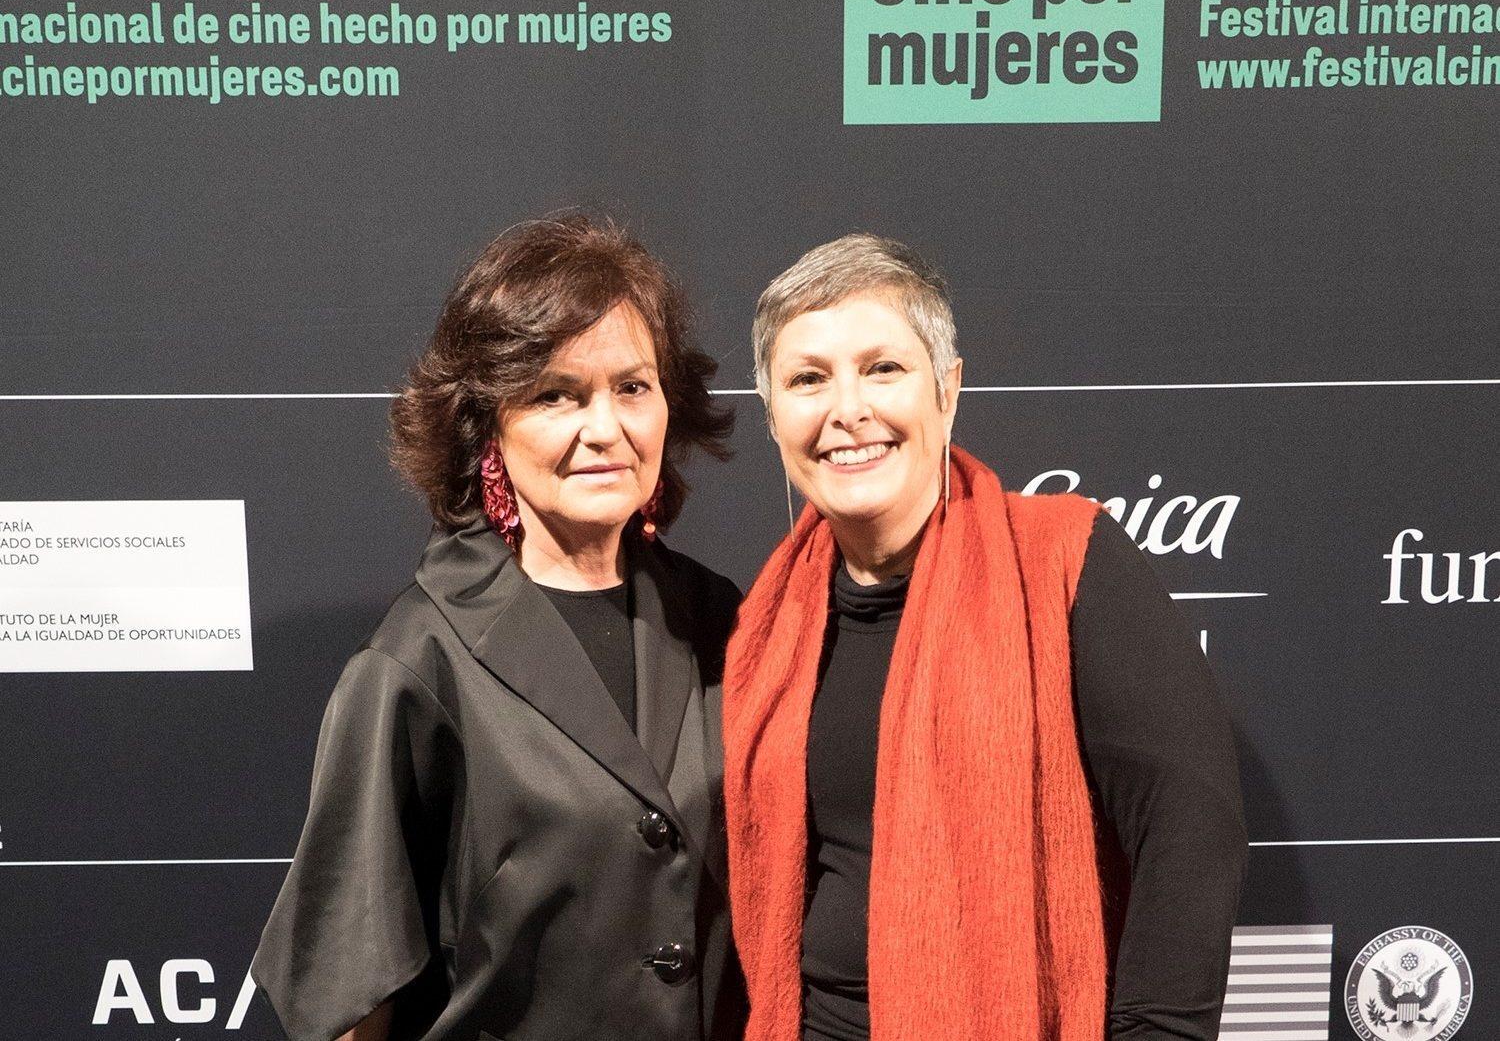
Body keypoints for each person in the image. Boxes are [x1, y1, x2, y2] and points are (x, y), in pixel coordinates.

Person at [723, 234, 1247, 1041]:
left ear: (949, 390)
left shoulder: (1066, 559)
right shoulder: (767, 623)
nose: (847, 409)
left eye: (882, 368)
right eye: (808, 379)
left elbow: (1190, 825)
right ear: (772, 416)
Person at [253, 214, 745, 1041]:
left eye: (632, 387)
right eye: (556, 394)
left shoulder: (723, 619)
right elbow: (348, 992)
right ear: (486, 422)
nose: (605, 428)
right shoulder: (418, 658)